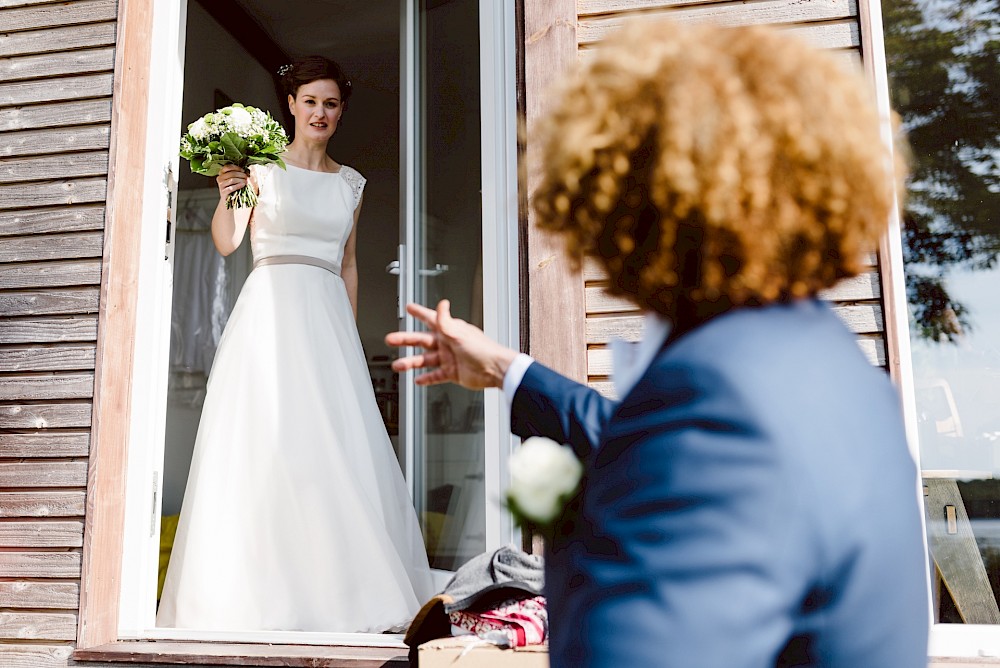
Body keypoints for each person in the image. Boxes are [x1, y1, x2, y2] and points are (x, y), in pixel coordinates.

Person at [387, 19, 929, 667]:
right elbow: (669, 453)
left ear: (619, 196)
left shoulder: (715, 403)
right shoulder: (831, 372)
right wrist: (507, 369)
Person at [158, 56, 433, 633]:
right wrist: (228, 187)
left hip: (327, 320)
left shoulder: (351, 183)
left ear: (340, 112)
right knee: (264, 443)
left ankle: (341, 597)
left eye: (331, 104)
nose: (320, 113)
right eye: (311, 101)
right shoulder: (260, 169)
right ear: (291, 105)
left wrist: (349, 341)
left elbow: (351, 264)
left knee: (330, 452)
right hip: (269, 313)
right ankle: (249, 597)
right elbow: (230, 243)